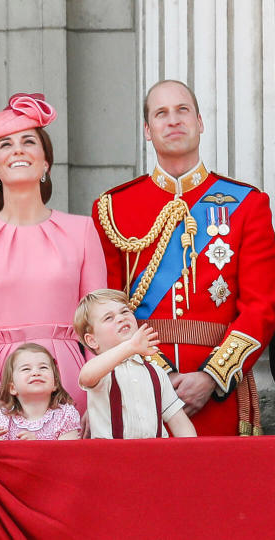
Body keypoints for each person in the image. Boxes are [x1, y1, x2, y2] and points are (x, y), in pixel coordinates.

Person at [92, 80, 275, 436]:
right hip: (140, 385)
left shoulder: (248, 204)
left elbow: (261, 307)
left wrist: (211, 377)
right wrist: (158, 376)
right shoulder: (113, 208)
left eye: (182, 110)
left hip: (220, 390)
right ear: (147, 130)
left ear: (200, 122)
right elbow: (106, 306)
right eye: (161, 113)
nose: (173, 120)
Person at [0, 93, 107, 441]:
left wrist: (99, 399)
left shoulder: (82, 230)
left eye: (28, 141)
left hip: (74, 377)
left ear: (46, 162)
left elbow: (97, 324)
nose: (17, 150)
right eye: (5, 144)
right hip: (3, 382)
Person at [75, 289, 197, 439]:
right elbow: (86, 376)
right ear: (92, 340)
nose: (120, 318)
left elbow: (179, 422)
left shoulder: (156, 372)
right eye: (108, 318)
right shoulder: (101, 371)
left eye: (125, 311)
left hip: (154, 457)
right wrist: (130, 347)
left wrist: (192, 456)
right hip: (111, 459)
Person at [0, 343, 80, 441]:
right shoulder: (6, 418)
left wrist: (36, 446)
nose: (36, 373)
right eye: (26, 369)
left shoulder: (65, 415)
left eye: (43, 367)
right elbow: (0, 453)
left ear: (55, 384)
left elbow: (68, 452)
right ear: (13, 388)